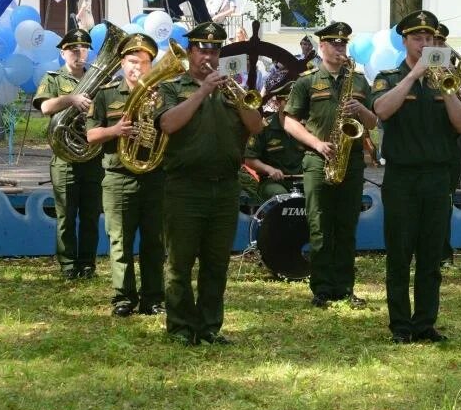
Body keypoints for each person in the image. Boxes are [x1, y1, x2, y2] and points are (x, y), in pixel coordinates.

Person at [155, 22, 264, 345]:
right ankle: (180, 326)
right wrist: (202, 91)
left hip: (226, 187)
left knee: (216, 263)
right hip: (185, 186)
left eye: (215, 51)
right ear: (190, 53)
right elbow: (167, 124)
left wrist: (238, 94)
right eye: (202, 50)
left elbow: (256, 126)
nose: (209, 57)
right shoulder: (173, 87)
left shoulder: (233, 90)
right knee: (180, 261)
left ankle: (208, 327)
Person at [372, 10, 461, 343]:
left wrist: (446, 89)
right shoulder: (389, 77)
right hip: (401, 177)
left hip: (436, 177)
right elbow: (382, 110)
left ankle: (425, 322)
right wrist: (414, 76)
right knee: (399, 254)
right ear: (405, 42)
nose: (425, 44)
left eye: (430, 39)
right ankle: (400, 324)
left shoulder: (447, 78)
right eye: (418, 38)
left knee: (431, 255)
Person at [283, 22, 377, 308]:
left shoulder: (359, 81)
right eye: (334, 44)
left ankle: (345, 287)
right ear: (321, 46)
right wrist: (316, 144)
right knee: (320, 225)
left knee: (347, 225)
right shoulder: (307, 81)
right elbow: (288, 121)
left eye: (343, 45)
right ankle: (321, 288)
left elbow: (374, 122)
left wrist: (361, 110)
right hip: (318, 159)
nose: (339, 49)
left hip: (352, 161)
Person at [85, 33, 165, 318]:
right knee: (120, 240)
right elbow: (91, 134)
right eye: (133, 62)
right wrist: (114, 131)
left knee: (155, 241)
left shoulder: (161, 94)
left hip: (155, 177)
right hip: (118, 177)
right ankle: (123, 297)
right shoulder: (106, 94)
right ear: (122, 62)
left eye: (144, 63)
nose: (138, 68)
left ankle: (153, 298)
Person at [32, 29, 104, 280]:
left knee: (91, 215)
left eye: (83, 48)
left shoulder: (99, 79)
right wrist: (72, 99)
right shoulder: (52, 78)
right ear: (63, 53)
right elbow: (45, 107)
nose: (78, 53)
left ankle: (87, 264)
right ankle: (67, 265)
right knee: (66, 215)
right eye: (73, 49)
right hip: (64, 158)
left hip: (92, 156)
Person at [433, 22, 461, 267]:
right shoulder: (410, 71)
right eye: (433, 41)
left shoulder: (455, 73)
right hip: (417, 146)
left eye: (441, 42)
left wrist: (448, 76)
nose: (437, 46)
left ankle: (443, 252)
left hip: (447, 147)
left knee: (445, 202)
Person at [244, 81, 305, 200]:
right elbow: (249, 160)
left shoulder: (306, 126)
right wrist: (269, 169)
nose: (292, 105)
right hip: (273, 182)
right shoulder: (264, 127)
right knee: (282, 196)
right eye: (287, 101)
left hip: (301, 181)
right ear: (278, 102)